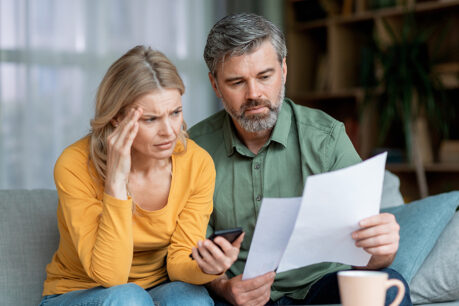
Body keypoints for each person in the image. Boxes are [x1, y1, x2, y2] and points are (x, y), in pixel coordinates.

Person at [189, 13, 412, 306]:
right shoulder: (194, 148)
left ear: (283, 70)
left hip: (319, 285)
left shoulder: (327, 138)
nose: (254, 94)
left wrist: (383, 249)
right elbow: (188, 251)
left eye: (265, 76)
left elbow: (366, 257)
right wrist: (223, 287)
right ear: (215, 85)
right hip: (236, 294)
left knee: (389, 286)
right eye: (236, 82)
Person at [40, 45, 244, 306]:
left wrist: (209, 267)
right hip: (79, 292)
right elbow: (110, 276)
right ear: (116, 118)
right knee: (129, 299)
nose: (169, 132)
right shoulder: (74, 164)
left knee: (193, 299)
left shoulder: (197, 163)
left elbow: (180, 263)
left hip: (157, 289)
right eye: (150, 119)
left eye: (175, 113)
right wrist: (115, 182)